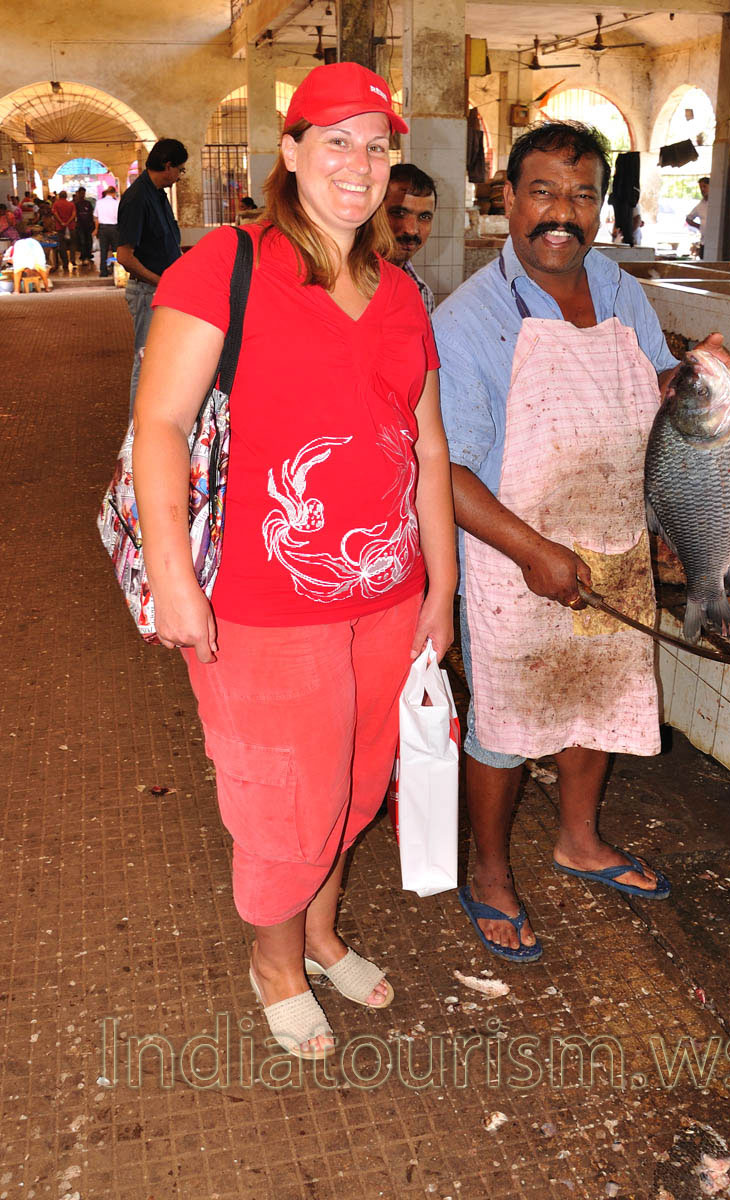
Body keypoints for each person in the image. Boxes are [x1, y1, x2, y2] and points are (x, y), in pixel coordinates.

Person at [131, 61, 456, 1058]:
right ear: (291, 152)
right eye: (334, 140)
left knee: (356, 786)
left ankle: (317, 934)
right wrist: (173, 577)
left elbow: (429, 449)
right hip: (258, 605)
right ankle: (271, 959)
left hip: (385, 596)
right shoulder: (224, 265)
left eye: (375, 144)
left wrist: (440, 585)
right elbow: (158, 422)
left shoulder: (400, 290)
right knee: (286, 796)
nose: (358, 164)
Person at [433, 121, 730, 962]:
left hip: (608, 536)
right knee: (501, 723)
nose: (560, 214)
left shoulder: (613, 283)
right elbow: (446, 470)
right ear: (506, 201)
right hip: (508, 555)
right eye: (541, 192)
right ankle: (490, 874)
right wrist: (531, 551)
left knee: (596, 698)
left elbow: (650, 388)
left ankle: (577, 840)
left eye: (581, 195)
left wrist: (697, 376)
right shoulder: (468, 321)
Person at [117, 138, 188, 415]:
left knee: (161, 359)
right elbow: (125, 257)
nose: (180, 177)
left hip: (162, 290)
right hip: (148, 292)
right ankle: (138, 429)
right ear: (167, 166)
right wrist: (161, 282)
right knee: (144, 361)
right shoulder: (137, 198)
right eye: (180, 170)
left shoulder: (158, 194)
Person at [383, 163, 436, 315]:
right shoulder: (344, 285)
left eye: (424, 217)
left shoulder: (422, 295)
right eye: (399, 213)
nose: (411, 230)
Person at [94, 186, 120, 277]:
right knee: (116, 250)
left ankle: (103, 271)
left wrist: (96, 229)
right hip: (114, 228)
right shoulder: (116, 203)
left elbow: (96, 218)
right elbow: (120, 217)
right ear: (113, 193)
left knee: (103, 250)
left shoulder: (99, 202)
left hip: (103, 228)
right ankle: (116, 269)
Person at [51, 190, 77, 272]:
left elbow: (55, 213)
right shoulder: (71, 204)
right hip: (71, 227)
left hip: (60, 228)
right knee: (73, 244)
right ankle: (72, 260)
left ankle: (65, 262)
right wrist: (68, 222)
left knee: (62, 246)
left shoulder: (56, 204)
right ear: (66, 196)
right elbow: (74, 214)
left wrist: (61, 222)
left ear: (59, 196)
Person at [686, 176, 709, 257]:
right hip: (704, 242)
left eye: (704, 186)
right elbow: (689, 219)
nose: (702, 189)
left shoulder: (717, 202)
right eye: (700, 187)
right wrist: (700, 226)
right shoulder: (700, 205)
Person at [73, 186, 95, 268]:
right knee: (82, 241)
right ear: (78, 193)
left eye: (83, 193)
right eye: (81, 193)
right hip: (80, 226)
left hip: (88, 226)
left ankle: (88, 255)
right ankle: (83, 256)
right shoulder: (76, 204)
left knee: (88, 241)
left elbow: (91, 214)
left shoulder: (88, 203)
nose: (82, 194)